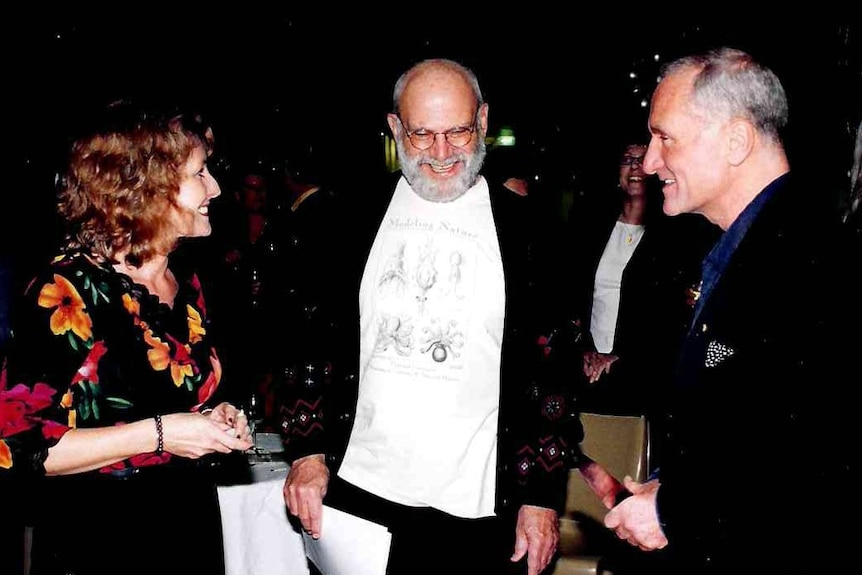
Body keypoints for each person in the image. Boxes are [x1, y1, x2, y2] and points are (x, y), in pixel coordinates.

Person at [281, 58, 584, 575]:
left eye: (458, 132)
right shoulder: (343, 219)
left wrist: (541, 496)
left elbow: (554, 373)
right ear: (396, 128)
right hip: (361, 494)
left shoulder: (533, 236)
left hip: (482, 511)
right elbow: (308, 341)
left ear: (484, 122)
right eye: (422, 135)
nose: (442, 154)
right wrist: (307, 455)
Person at [602, 47, 860, 573]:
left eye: (665, 137)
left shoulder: (812, 263)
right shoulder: (745, 248)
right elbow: (747, 422)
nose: (650, 163)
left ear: (736, 140)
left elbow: (816, 458)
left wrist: (674, 511)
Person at [0, 100, 253, 575]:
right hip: (100, 541)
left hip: (187, 526)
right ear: (146, 189)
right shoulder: (69, 292)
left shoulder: (189, 283)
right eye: (201, 173)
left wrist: (213, 418)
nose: (216, 188)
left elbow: (179, 399)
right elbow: (12, 447)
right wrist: (162, 434)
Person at [561, 136, 715, 417]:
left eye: (642, 160)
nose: (634, 167)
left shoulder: (673, 238)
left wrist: (623, 357)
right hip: (587, 373)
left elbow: (672, 315)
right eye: (627, 160)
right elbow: (572, 297)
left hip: (639, 377)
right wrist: (584, 349)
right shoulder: (591, 228)